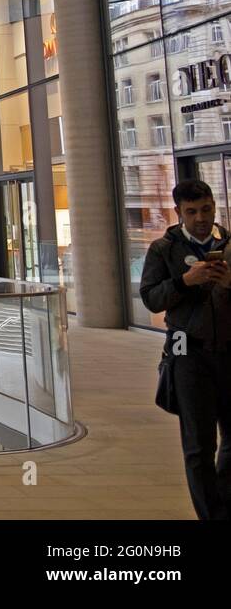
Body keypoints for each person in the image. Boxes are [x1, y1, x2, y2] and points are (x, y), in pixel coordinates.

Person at [139, 179, 231, 520]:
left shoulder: (229, 244)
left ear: (214, 207)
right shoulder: (164, 249)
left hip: (229, 350)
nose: (201, 218)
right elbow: (150, 296)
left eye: (206, 209)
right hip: (187, 353)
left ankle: (223, 503)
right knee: (199, 444)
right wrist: (184, 282)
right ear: (178, 213)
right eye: (191, 212)